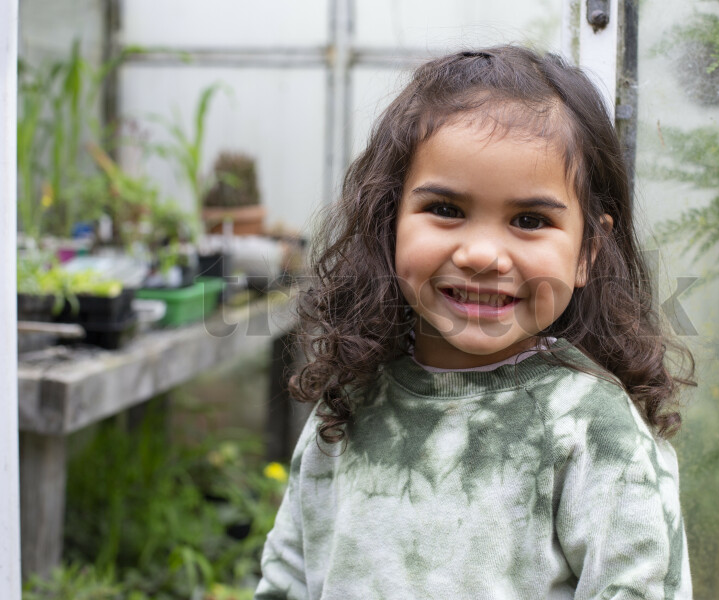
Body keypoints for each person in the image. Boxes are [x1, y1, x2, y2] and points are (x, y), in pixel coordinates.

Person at [256, 45, 695, 599]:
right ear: (388, 222)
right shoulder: (350, 403)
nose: (483, 254)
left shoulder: (592, 430)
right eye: (445, 209)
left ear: (588, 251)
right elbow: (289, 577)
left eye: (530, 220)